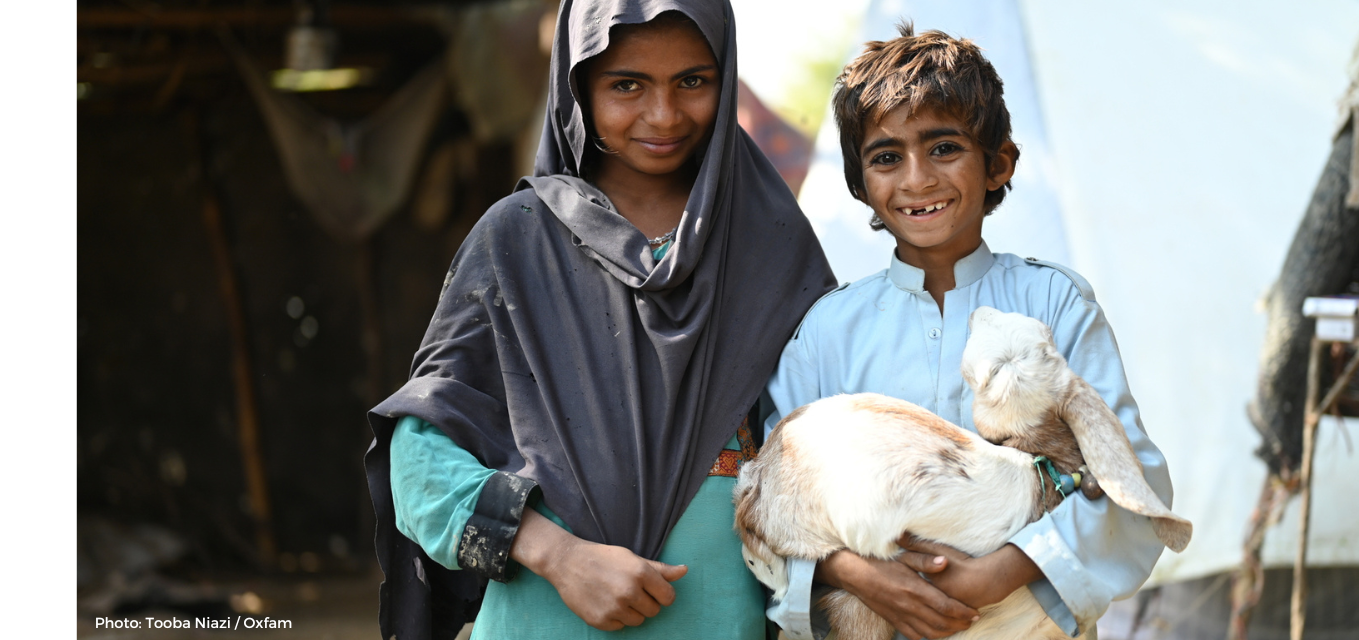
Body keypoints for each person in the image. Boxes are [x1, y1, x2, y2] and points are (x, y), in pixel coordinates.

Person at [362, 1, 835, 638]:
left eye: (693, 81)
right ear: (577, 87)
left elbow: (827, 449)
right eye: (626, 85)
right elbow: (418, 458)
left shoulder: (770, 246)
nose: (664, 115)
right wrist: (559, 556)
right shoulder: (517, 241)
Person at [762, 23, 1176, 640]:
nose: (917, 179)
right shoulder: (828, 329)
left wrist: (1004, 571)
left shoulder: (1054, 302)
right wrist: (860, 577)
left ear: (997, 163)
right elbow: (772, 496)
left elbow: (1129, 483)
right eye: (885, 158)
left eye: (944, 148)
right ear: (859, 185)